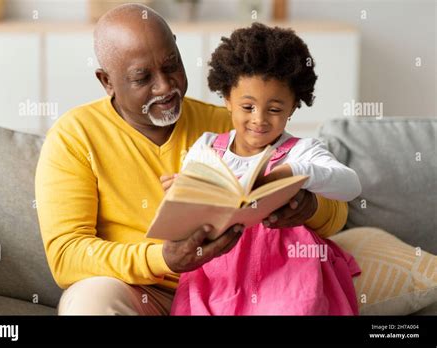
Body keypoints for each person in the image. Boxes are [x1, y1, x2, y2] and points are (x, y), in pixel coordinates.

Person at [35, 4, 350, 315]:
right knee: (90, 301)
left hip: (232, 290)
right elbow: (67, 256)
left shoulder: (229, 121)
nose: (165, 86)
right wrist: (164, 259)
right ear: (106, 81)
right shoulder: (74, 136)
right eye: (142, 78)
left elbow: (336, 213)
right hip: (138, 289)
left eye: (171, 65)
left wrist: (307, 207)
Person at [162, 23, 362, 315]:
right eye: (247, 107)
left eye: (275, 109)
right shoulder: (206, 146)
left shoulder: (301, 151)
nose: (259, 120)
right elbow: (188, 211)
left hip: (286, 267)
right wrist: (183, 191)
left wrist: (297, 172)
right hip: (219, 268)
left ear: (293, 107)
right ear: (227, 99)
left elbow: (351, 185)